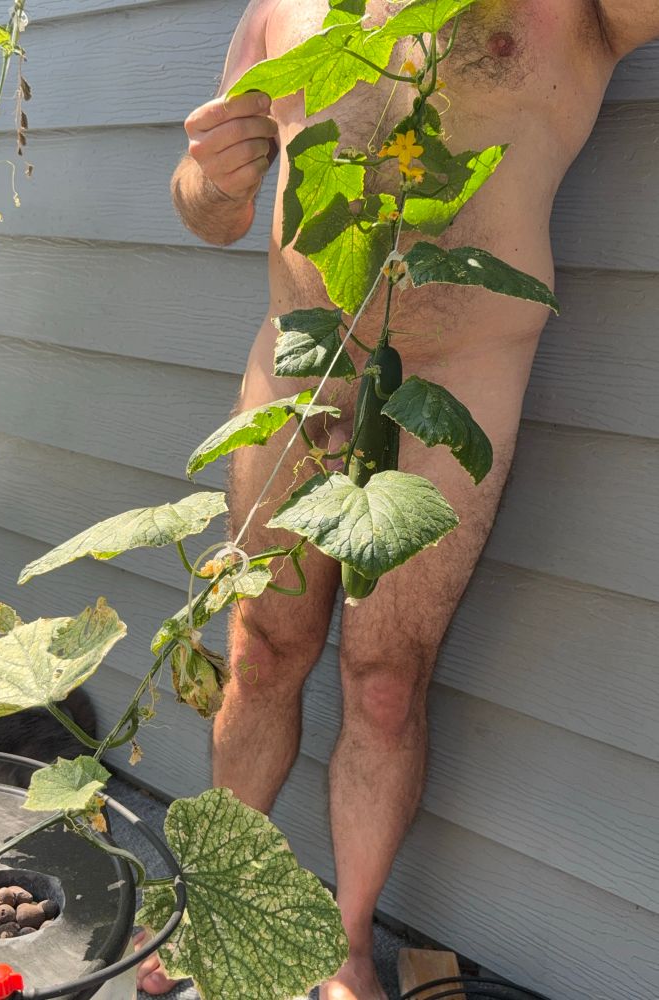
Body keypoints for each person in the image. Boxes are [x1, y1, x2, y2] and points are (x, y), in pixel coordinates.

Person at [137, 3, 659, 997]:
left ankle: (342, 945)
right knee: (260, 648)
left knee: (384, 680)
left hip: (460, 380)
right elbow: (209, 207)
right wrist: (211, 177)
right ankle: (221, 910)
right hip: (299, 366)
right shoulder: (281, 10)